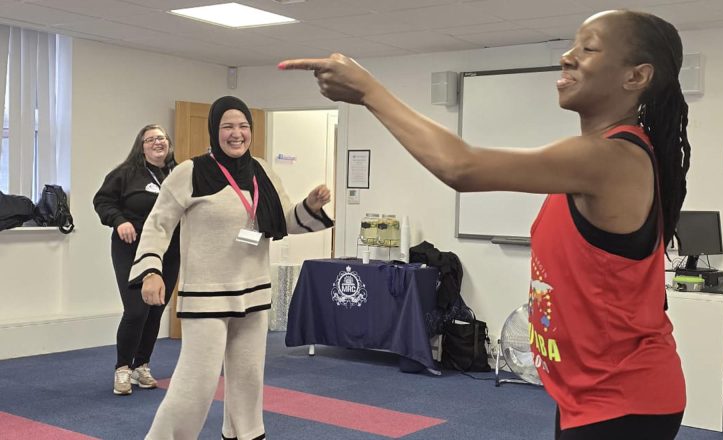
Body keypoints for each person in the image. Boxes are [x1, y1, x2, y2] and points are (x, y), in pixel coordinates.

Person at [279, 9, 689, 440]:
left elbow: (462, 167)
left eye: (588, 49)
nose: (567, 57)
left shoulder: (609, 158)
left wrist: (368, 91)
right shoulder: (599, 155)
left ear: (636, 76)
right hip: (589, 393)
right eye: (572, 45)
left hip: (623, 398)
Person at [128, 96, 333, 440]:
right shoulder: (189, 172)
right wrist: (151, 270)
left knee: (248, 380)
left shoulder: (262, 170)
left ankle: (245, 435)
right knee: (196, 385)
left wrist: (309, 206)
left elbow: (282, 221)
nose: (236, 134)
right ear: (214, 130)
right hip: (206, 297)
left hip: (252, 293)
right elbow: (158, 225)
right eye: (227, 127)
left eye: (242, 127)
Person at [93, 124, 181, 396]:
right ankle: (122, 368)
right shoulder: (125, 174)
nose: (158, 142)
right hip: (131, 248)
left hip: (169, 250)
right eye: (151, 139)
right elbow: (103, 202)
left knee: (155, 309)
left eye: (162, 138)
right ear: (141, 146)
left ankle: (142, 365)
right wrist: (119, 221)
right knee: (136, 310)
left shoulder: (179, 175)